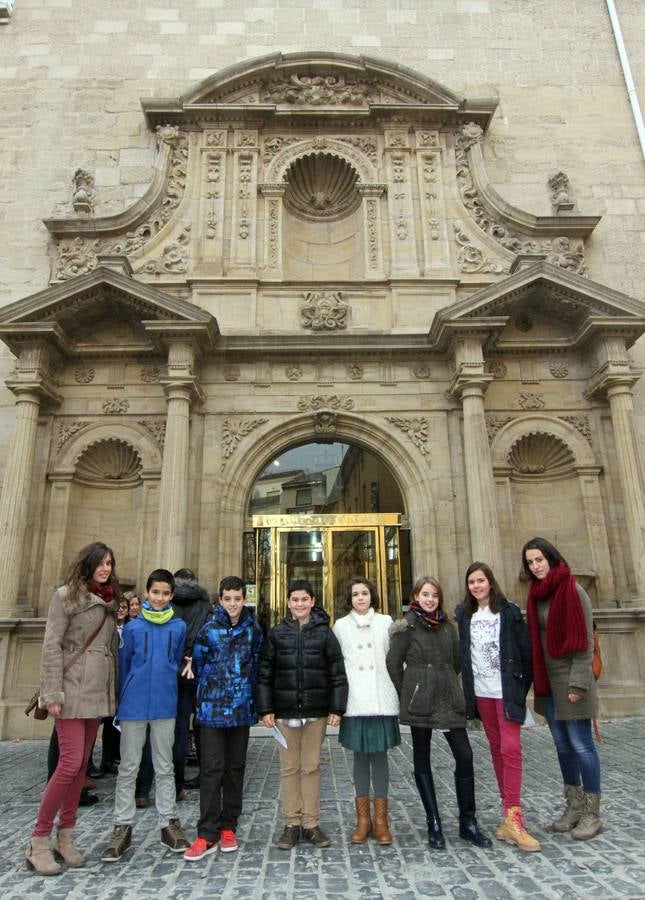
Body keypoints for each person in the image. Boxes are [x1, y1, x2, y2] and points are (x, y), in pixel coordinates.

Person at [26, 542, 120, 876]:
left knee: (80, 767)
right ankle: (38, 840)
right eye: (100, 563)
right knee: (67, 764)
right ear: (87, 564)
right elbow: (51, 645)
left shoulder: (111, 601)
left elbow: (109, 650)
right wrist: (51, 692)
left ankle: (65, 837)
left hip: (95, 692)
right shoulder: (65, 596)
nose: (105, 568)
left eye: (109, 563)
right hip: (70, 691)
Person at [386, 576, 491, 850]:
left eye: (434, 595)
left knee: (464, 755)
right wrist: (410, 690)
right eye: (425, 594)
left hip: (447, 697)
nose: (430, 599)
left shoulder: (448, 627)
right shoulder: (406, 626)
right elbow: (393, 664)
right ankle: (433, 822)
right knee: (422, 757)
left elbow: (456, 661)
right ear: (415, 596)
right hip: (420, 701)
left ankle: (468, 822)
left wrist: (442, 680)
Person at [101, 569, 190, 862]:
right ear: (148, 593)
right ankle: (122, 826)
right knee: (129, 767)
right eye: (155, 593)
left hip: (164, 702)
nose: (160, 598)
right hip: (135, 704)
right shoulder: (133, 629)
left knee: (165, 766)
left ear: (172, 595)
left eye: (166, 594)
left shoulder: (178, 628)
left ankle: (169, 823)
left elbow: (175, 661)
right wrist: (123, 698)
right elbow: (124, 665)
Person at [255, 579, 348, 850]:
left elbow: (336, 671)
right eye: (294, 600)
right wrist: (266, 708)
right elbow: (264, 673)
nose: (299, 604)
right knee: (289, 768)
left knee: (311, 767)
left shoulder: (325, 633)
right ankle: (291, 823)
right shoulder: (276, 633)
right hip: (284, 713)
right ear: (288, 603)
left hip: (315, 712)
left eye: (304, 599)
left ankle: (311, 824)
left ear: (312, 601)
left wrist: (336, 707)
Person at [456, 562, 540, 852]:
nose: (476, 586)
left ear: (490, 582)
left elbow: (526, 653)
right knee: (495, 748)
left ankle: (515, 816)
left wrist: (518, 688)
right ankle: (508, 816)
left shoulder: (508, 612)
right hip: (481, 693)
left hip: (505, 691)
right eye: (472, 582)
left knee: (511, 749)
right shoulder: (464, 615)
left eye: (481, 580)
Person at [522, 537, 602, 840]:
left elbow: (584, 642)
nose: (535, 566)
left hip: (572, 682)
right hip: (549, 684)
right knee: (563, 747)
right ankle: (574, 806)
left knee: (582, 746)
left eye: (539, 559)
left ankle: (592, 813)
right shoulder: (537, 595)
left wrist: (579, 684)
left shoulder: (574, 590)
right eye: (530, 562)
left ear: (551, 558)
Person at [183, 576, 263, 861]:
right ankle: (207, 831)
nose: (232, 604)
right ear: (220, 599)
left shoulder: (253, 630)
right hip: (212, 710)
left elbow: (256, 665)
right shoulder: (207, 630)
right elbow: (200, 665)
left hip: (241, 709)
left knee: (235, 768)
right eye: (227, 599)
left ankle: (229, 825)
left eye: (237, 599)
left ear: (245, 599)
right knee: (211, 769)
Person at [332, 578, 400, 845]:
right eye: (355, 594)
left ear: (372, 596)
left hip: (380, 697)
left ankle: (381, 821)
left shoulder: (386, 622)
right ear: (349, 599)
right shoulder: (340, 626)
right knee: (360, 759)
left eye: (364, 593)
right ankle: (362, 820)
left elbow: (394, 659)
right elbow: (337, 665)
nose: (360, 598)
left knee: (380, 758)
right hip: (356, 699)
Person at [171, 568, 212, 799]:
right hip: (198, 669)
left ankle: (177, 782)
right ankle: (205, 775)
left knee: (178, 725)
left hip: (173, 671)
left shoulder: (168, 605)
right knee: (202, 723)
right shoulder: (205, 607)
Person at [100, 598, 130, 775]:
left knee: (114, 724)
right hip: (106, 680)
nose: (122, 610)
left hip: (120, 680)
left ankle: (112, 758)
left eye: (124, 607)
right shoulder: (109, 628)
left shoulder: (129, 629)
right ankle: (106, 759)